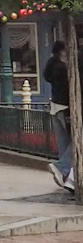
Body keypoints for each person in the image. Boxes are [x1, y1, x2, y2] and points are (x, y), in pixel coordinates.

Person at [43, 40, 78, 192]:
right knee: (76, 142)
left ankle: (67, 177)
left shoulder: (52, 66)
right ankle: (62, 168)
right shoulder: (63, 69)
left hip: (56, 107)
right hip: (65, 107)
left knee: (64, 145)